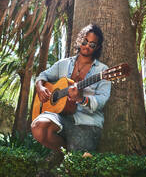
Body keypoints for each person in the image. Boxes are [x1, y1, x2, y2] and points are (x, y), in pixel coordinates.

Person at [31, 24, 111, 153]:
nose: (87, 46)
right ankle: (63, 153)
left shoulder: (103, 71)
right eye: (85, 42)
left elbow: (102, 100)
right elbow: (42, 76)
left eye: (92, 45)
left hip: (87, 121)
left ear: (97, 48)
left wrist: (81, 99)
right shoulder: (63, 64)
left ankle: (63, 154)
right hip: (61, 117)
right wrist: (40, 87)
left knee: (81, 161)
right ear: (80, 40)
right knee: (38, 126)